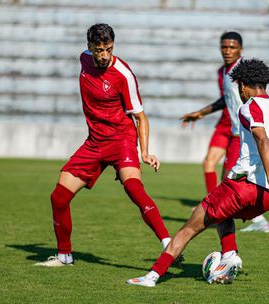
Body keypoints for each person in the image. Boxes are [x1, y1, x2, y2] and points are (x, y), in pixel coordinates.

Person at [126, 58, 269, 287]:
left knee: (191, 226)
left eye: (239, 87)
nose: (240, 92)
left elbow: (262, 139)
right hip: (265, 197)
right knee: (223, 215)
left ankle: (152, 276)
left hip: (244, 186)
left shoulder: (250, 107)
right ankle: (229, 256)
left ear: (244, 85)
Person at [35, 24, 172, 267]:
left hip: (121, 139)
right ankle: (65, 256)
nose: (104, 55)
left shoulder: (123, 74)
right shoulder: (83, 60)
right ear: (89, 47)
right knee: (58, 198)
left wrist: (145, 152)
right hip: (95, 142)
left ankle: (169, 244)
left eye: (109, 49)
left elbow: (141, 117)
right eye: (99, 50)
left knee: (133, 188)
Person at [180, 32, 269, 233]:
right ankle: (218, 210)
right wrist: (201, 113)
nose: (227, 51)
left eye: (232, 47)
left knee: (231, 182)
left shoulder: (243, 70)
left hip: (243, 133)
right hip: (231, 127)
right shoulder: (224, 71)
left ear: (240, 49)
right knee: (216, 168)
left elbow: (260, 96)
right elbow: (227, 99)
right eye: (224, 47)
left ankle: (249, 218)